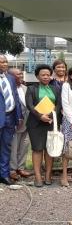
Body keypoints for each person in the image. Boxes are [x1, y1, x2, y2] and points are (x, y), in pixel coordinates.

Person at [26, 65, 60, 187]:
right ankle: (38, 177)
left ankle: (48, 176)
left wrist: (50, 115)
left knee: (49, 149)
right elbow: (29, 105)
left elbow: (58, 105)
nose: (46, 77)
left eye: (48, 75)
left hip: (51, 123)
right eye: (43, 75)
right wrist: (40, 116)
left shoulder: (55, 88)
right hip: (35, 123)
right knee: (37, 149)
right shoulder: (31, 89)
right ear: (37, 76)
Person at [0, 55, 23, 185]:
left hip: (10, 118)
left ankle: (3, 174)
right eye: (1, 62)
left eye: (5, 61)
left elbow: (15, 98)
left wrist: (18, 116)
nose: (4, 64)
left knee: (6, 147)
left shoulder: (10, 78)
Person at [8, 68, 31, 181]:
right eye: (18, 75)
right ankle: (12, 169)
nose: (21, 76)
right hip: (14, 123)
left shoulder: (25, 88)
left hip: (27, 123)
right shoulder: (8, 88)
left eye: (22, 74)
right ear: (11, 76)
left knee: (24, 146)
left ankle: (20, 168)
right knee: (14, 147)